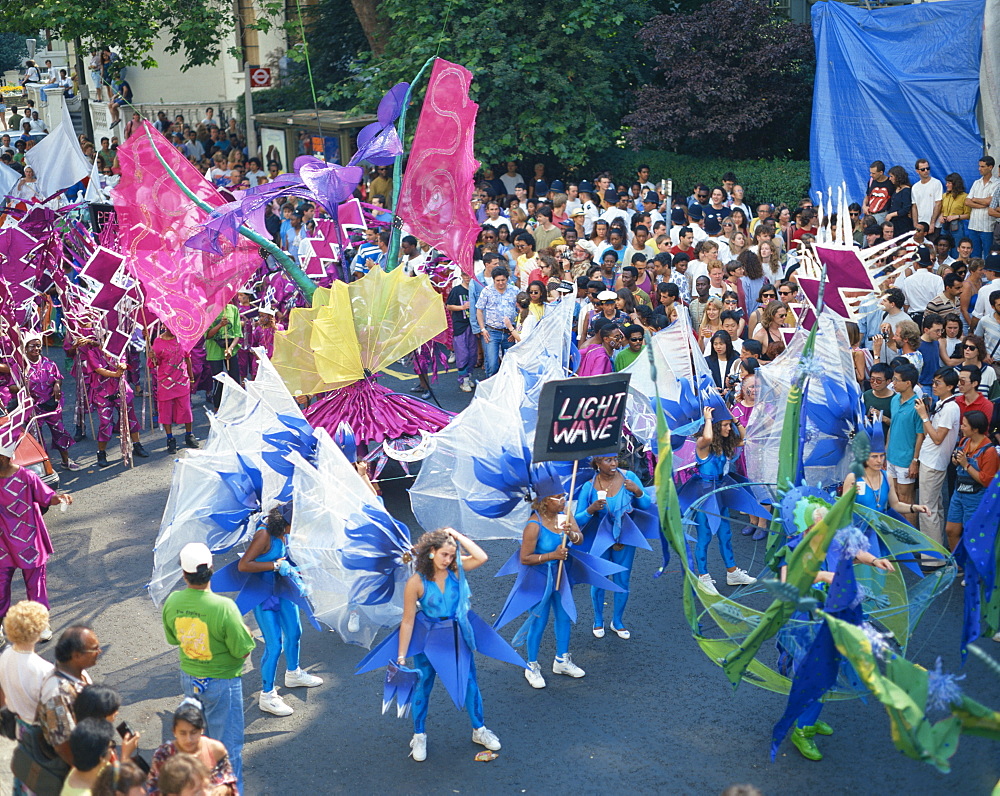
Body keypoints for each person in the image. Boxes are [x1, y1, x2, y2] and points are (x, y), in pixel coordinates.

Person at [357, 529, 515, 762]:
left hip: (457, 635)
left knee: (470, 683)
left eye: (452, 555)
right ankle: (419, 735)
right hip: (428, 639)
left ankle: (479, 729)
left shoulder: (455, 571)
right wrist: (401, 656)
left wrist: (457, 536)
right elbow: (408, 621)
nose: (448, 560)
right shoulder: (416, 582)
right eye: (444, 554)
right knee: (423, 685)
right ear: (431, 552)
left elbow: (482, 558)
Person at [161, 543, 255, 791]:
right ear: (212, 569)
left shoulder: (172, 601)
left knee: (197, 745)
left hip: (190, 679)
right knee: (227, 750)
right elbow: (243, 650)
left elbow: (173, 638)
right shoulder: (224, 607)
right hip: (223, 682)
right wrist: (247, 632)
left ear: (184, 573)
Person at [233, 504, 323, 717]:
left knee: (295, 632)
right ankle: (267, 696)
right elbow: (244, 565)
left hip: (282, 588)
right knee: (274, 645)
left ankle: (293, 673)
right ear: (286, 522)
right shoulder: (263, 535)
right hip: (263, 594)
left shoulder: (282, 530)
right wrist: (274, 566)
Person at [679, 407, 764, 595]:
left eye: (728, 425)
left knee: (725, 534)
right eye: (725, 425)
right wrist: (709, 419)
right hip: (704, 494)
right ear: (716, 427)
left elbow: (744, 438)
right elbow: (708, 438)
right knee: (705, 537)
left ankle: (732, 572)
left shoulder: (725, 445)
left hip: (721, 492)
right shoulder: (703, 444)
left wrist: (735, 420)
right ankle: (703, 577)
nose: (729, 428)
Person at [575, 455, 656, 640]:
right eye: (607, 460)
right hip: (600, 538)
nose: (613, 464)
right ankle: (598, 620)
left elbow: (645, 505)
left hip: (625, 537)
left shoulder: (630, 478)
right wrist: (591, 509)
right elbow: (577, 520)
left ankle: (617, 622)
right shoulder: (589, 487)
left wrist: (638, 491)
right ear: (597, 463)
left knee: (622, 580)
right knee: (599, 579)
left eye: (615, 459)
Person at [0, 434, 72, 632]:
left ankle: (40, 625)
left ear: (4, 458)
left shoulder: (26, 477)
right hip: (2, 543)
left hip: (28, 540)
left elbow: (47, 497)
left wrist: (61, 497)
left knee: (36, 585)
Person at [35, 625, 102, 779]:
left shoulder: (78, 674)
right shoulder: (57, 695)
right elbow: (62, 744)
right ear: (77, 655)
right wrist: (83, 772)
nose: (99, 652)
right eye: (94, 649)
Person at [913, 368, 961, 562]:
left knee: (927, 508)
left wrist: (924, 416)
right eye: (933, 382)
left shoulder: (950, 408)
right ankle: (938, 551)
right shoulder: (943, 403)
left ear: (950, 386)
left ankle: (932, 559)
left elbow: (938, 438)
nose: (933, 386)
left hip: (933, 462)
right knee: (936, 507)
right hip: (930, 459)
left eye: (938, 383)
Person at [147, 701, 236, 796]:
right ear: (174, 731)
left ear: (202, 730)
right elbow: (153, 789)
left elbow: (229, 781)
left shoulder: (215, 750)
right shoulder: (163, 755)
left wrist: (224, 788)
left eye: (193, 732)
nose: (188, 739)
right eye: (183, 733)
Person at [22, 334, 80, 470]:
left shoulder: (48, 363)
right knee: (37, 438)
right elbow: (14, 386)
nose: (36, 348)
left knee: (60, 432)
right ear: (25, 348)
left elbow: (58, 377)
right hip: (34, 409)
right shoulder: (21, 367)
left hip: (51, 405)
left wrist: (57, 385)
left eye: (38, 345)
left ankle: (66, 461)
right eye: (32, 346)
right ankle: (45, 468)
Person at [944, 410, 999, 553]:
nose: (961, 427)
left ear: (975, 429)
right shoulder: (964, 441)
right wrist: (956, 460)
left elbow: (986, 481)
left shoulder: (989, 451)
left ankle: (972, 568)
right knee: (950, 530)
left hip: (976, 497)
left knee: (971, 535)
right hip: (959, 492)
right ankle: (958, 564)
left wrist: (966, 465)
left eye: (964, 425)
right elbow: (956, 460)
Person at [151, 326, 199, 454]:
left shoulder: (183, 339)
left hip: (182, 380)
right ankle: (170, 439)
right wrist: (152, 357)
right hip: (165, 382)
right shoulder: (157, 342)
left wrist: (192, 378)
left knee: (186, 409)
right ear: (164, 326)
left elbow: (187, 358)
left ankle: (189, 434)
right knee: (165, 411)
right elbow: (154, 364)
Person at [886, 363, 923, 527]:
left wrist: (914, 460)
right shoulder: (894, 400)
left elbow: (920, 435)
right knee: (894, 498)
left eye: (896, 380)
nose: (893, 383)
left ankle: (912, 543)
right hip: (891, 457)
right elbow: (893, 426)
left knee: (906, 501)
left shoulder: (917, 405)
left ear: (908, 383)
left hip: (906, 460)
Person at [475, 265, 519, 378]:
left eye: (503, 280)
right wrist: (482, 329)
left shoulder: (515, 291)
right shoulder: (487, 291)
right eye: (497, 281)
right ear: (493, 280)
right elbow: (479, 310)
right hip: (492, 332)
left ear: (507, 279)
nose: (500, 283)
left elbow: (520, 311)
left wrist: (515, 331)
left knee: (510, 364)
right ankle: (491, 389)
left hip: (509, 332)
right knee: (492, 364)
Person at [62, 718, 115, 795]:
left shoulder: (81, 767)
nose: (112, 751)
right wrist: (125, 757)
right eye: (111, 747)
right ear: (101, 758)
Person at [205, 304, 242, 411]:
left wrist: (230, 348)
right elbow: (207, 335)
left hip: (231, 350)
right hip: (214, 352)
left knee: (234, 379)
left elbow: (238, 333)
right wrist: (220, 325)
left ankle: (236, 408)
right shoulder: (209, 310)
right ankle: (217, 408)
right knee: (218, 382)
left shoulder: (233, 309)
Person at [446, 270, 475, 392]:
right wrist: (462, 307)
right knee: (462, 353)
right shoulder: (457, 290)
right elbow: (448, 306)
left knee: (472, 354)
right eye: (465, 275)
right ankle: (463, 379)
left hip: (473, 326)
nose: (467, 278)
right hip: (460, 326)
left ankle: (468, 376)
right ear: (461, 276)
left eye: (469, 275)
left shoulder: (475, 289)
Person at [965, 157, 998, 258]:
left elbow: (991, 201)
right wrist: (983, 203)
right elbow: (967, 201)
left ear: (990, 167)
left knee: (988, 254)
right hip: (973, 225)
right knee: (974, 255)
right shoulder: (976, 183)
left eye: (982, 166)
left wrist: (974, 199)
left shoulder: (997, 183)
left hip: (987, 226)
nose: (979, 169)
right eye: (979, 166)